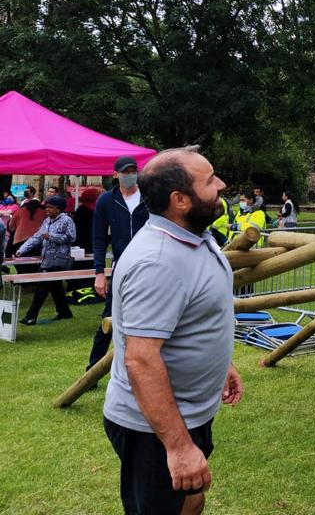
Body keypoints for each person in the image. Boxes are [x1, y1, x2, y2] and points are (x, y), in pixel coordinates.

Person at [103, 147, 242, 515]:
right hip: (156, 428)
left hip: (187, 414)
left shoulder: (193, 234)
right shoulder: (158, 263)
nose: (222, 186)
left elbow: (194, 314)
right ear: (179, 200)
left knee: (191, 497)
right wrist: (178, 447)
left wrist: (220, 362)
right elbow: (141, 359)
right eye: (210, 181)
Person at [88, 156, 151, 370]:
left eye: (134, 170)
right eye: (126, 171)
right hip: (121, 267)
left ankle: (147, 362)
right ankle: (93, 369)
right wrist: (98, 272)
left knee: (151, 314)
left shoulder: (149, 197)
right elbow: (98, 237)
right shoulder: (107, 200)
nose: (130, 175)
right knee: (109, 317)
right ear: (115, 174)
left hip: (149, 265)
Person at [15, 195, 76, 324]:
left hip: (59, 258)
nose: (47, 210)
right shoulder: (46, 221)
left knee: (42, 286)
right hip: (47, 258)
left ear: (58, 208)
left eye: (50, 207)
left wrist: (51, 236)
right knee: (55, 287)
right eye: (46, 207)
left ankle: (30, 316)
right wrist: (21, 250)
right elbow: (37, 237)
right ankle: (65, 313)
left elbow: (71, 237)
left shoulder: (66, 220)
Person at [9, 187, 45, 257]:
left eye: (27, 191)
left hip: (21, 239)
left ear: (32, 193)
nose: (25, 193)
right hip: (37, 240)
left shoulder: (21, 210)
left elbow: (11, 226)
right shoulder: (43, 212)